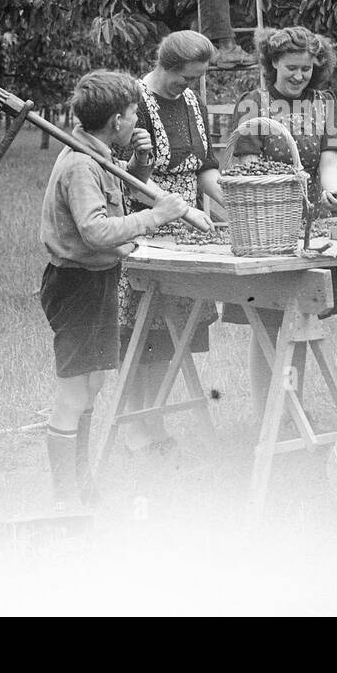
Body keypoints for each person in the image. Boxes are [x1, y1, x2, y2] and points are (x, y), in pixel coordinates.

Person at [38, 71, 191, 510]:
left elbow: (118, 192)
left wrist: (140, 167)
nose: (136, 118)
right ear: (118, 121)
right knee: (73, 393)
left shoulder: (96, 154)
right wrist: (157, 216)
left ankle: (82, 488)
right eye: (132, 113)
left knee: (92, 386)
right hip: (77, 286)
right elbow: (96, 230)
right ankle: (65, 501)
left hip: (96, 282)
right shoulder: (81, 165)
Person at [227, 26, 337, 415]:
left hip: (310, 224)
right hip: (267, 224)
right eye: (291, 67)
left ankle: (291, 406)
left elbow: (329, 163)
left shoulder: (326, 105)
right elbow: (248, 170)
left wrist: (333, 191)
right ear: (272, 62)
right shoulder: (253, 103)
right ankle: (268, 411)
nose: (299, 76)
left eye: (307, 69)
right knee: (269, 322)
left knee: (302, 318)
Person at [118, 30, 224, 452]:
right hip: (145, 223)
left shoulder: (192, 103)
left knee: (170, 332)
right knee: (141, 329)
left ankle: (154, 417)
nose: (190, 88)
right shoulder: (134, 101)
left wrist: (231, 198)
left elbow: (205, 167)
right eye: (184, 79)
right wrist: (178, 207)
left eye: (197, 80)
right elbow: (129, 178)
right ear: (164, 66)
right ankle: (132, 424)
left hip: (187, 228)